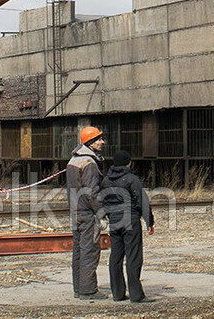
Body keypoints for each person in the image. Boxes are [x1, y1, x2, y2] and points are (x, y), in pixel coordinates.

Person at [99, 149, 155, 303]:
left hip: (115, 221)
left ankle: (117, 293)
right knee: (134, 256)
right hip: (130, 219)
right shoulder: (132, 179)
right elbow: (141, 201)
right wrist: (149, 221)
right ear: (129, 163)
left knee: (115, 257)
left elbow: (103, 202)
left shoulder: (105, 181)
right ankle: (136, 295)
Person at [68, 126, 105, 299]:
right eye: (98, 139)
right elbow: (92, 192)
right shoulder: (89, 163)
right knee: (89, 251)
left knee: (78, 252)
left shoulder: (73, 161)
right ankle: (88, 291)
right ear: (90, 142)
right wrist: (101, 213)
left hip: (75, 213)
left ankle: (79, 288)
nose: (102, 142)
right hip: (88, 214)